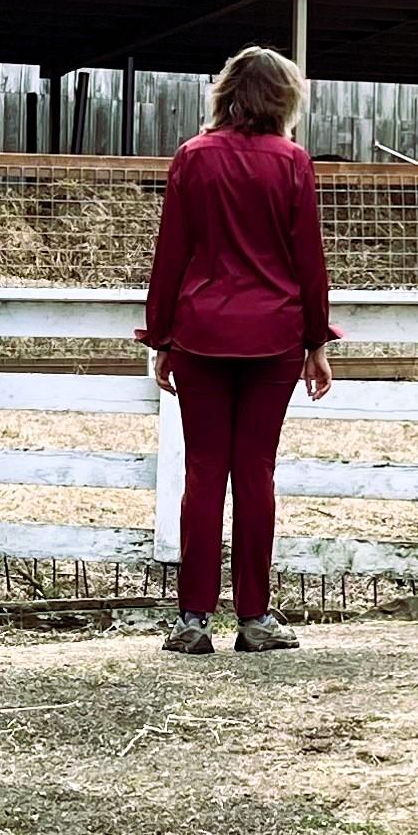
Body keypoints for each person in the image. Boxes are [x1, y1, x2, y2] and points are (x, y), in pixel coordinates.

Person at [135, 45, 334, 657]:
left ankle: (193, 619)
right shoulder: (294, 162)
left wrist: (161, 336)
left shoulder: (192, 159)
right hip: (273, 337)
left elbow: (171, 254)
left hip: (200, 334)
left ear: (224, 94)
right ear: (283, 99)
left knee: (203, 473)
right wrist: (316, 341)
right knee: (256, 473)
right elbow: (309, 260)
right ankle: (254, 616)